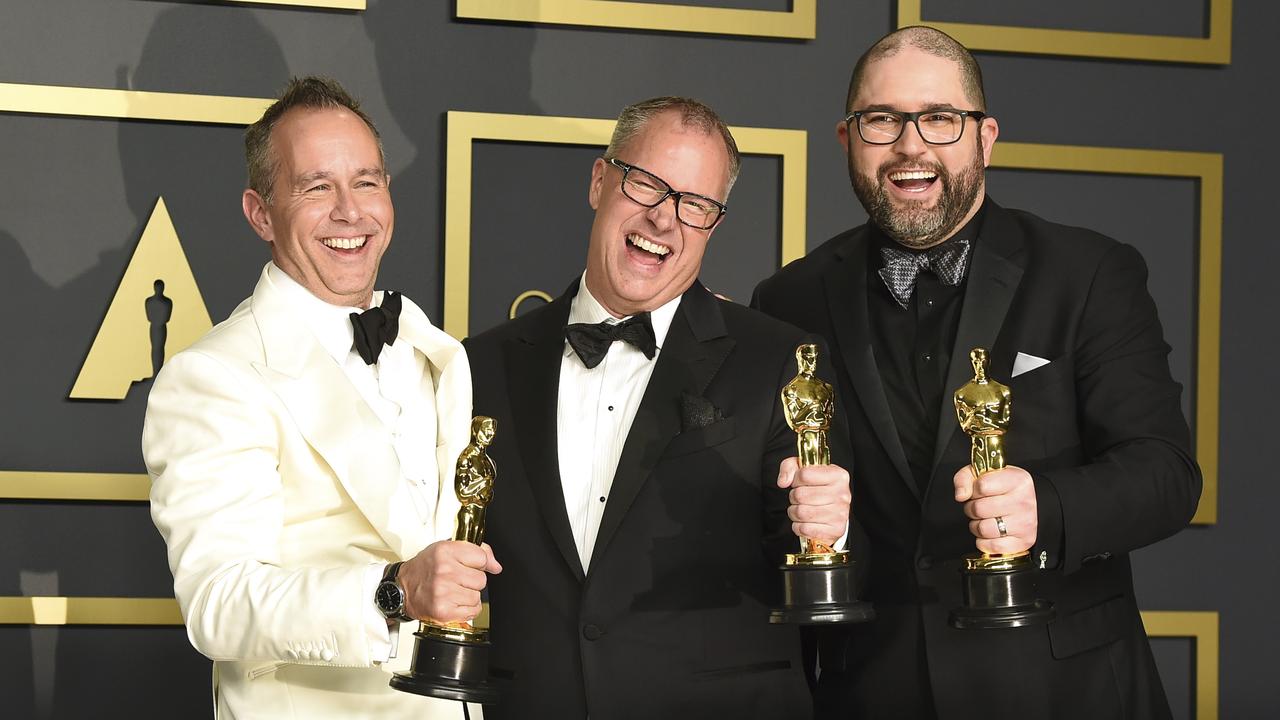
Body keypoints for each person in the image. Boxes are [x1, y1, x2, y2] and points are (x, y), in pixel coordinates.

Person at [752, 26, 1202, 720]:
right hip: (874, 694)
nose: (911, 145)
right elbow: (782, 513)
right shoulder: (789, 300)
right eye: (882, 120)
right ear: (848, 140)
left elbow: (1167, 475)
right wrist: (824, 534)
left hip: (1067, 694)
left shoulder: (1087, 274)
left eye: (939, 118)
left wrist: (1044, 508)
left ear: (984, 137)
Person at [463, 96, 855, 718]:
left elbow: (810, 558)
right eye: (646, 184)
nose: (664, 219)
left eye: (694, 204)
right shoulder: (478, 365)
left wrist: (828, 527)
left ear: (713, 224)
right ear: (600, 181)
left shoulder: (782, 360)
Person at [142, 76, 498, 719]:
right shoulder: (214, 376)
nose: (350, 212)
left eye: (367, 182)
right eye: (316, 187)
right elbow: (217, 604)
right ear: (260, 214)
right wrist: (392, 591)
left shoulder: (437, 352)